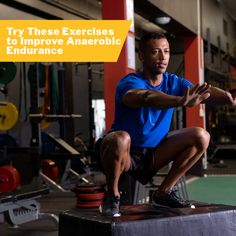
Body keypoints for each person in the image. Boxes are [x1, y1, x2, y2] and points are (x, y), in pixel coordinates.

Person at [97, 31, 236, 217]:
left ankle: (164, 192)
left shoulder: (173, 81)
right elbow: (146, 97)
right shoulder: (130, 82)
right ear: (141, 56)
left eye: (167, 51)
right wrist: (179, 101)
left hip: (155, 153)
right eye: (155, 52)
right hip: (125, 154)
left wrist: (227, 97)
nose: (163, 57)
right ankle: (112, 196)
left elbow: (203, 91)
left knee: (201, 136)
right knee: (120, 138)